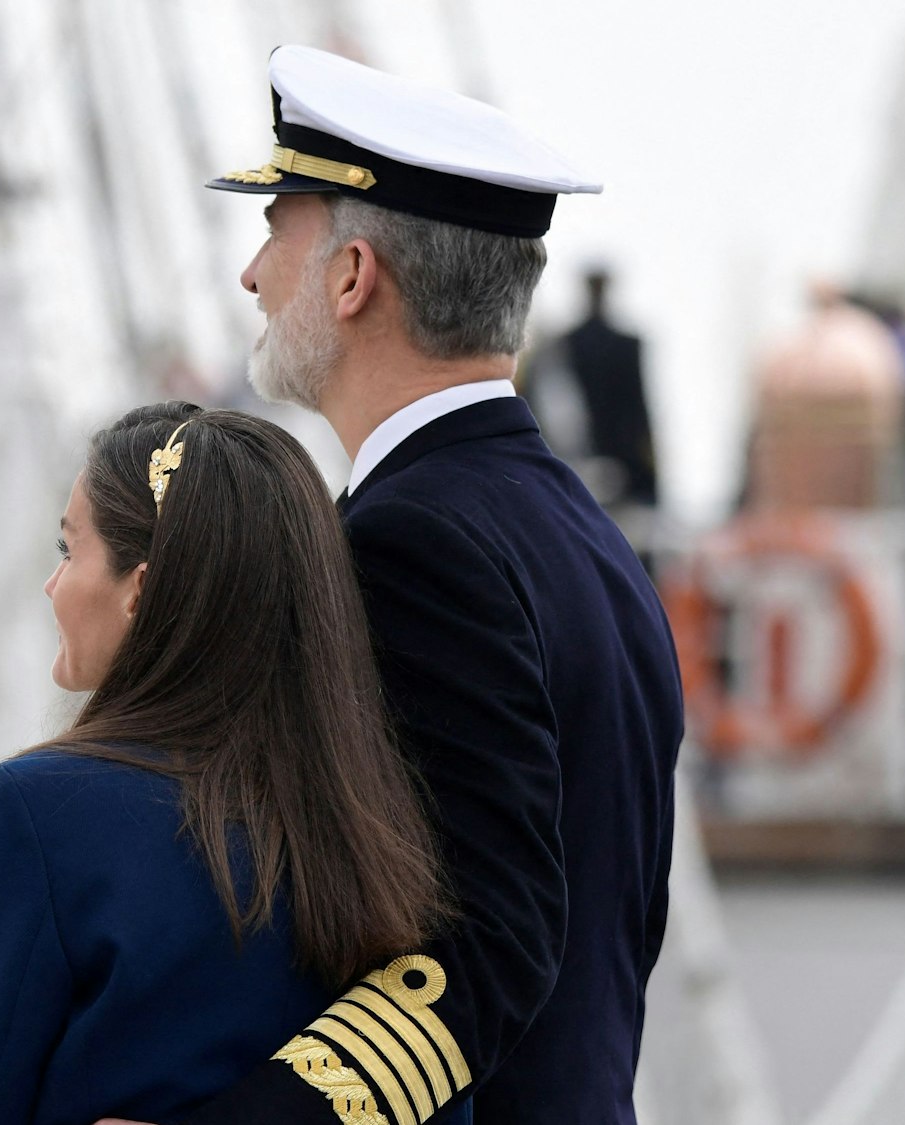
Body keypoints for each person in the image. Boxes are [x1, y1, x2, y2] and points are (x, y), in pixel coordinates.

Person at [115, 45, 684, 1125]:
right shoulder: (584, 536)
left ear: (350, 276)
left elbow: (489, 938)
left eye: (273, 231)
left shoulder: (410, 546)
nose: (248, 276)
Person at [0, 405, 454, 1124]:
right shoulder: (380, 820)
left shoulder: (32, 817)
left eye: (69, 550)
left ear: (139, 590)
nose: (52, 585)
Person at [545, 265, 660, 507]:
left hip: (585, 463)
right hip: (611, 462)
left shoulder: (566, 343)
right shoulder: (625, 344)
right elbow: (639, 412)